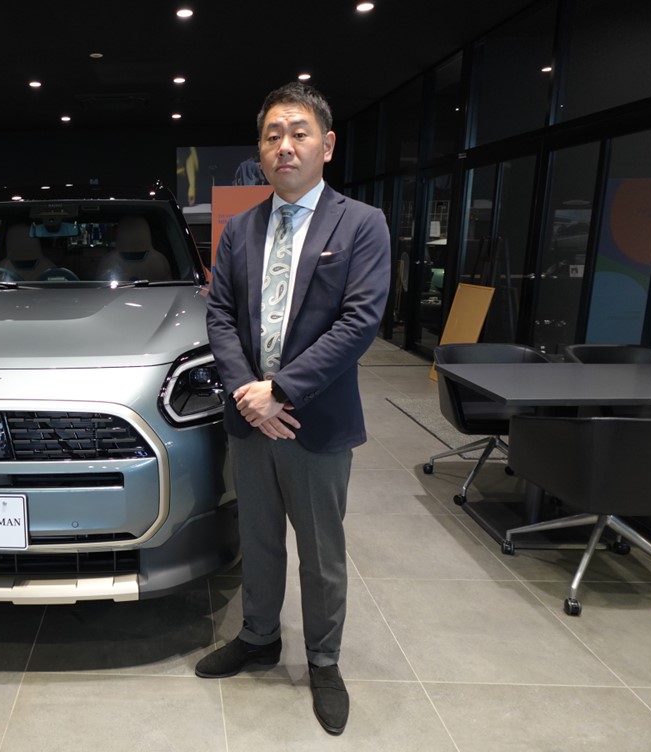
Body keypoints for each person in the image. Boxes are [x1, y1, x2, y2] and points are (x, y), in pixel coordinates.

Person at [198, 81, 390, 736]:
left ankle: (324, 660)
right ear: (260, 149)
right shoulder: (240, 229)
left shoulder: (361, 224)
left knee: (320, 552)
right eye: (273, 135)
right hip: (250, 420)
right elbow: (220, 316)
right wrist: (249, 394)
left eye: (298, 133)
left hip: (314, 421)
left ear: (326, 145)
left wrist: (279, 391)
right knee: (257, 541)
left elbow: (359, 323)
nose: (285, 145)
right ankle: (258, 638)